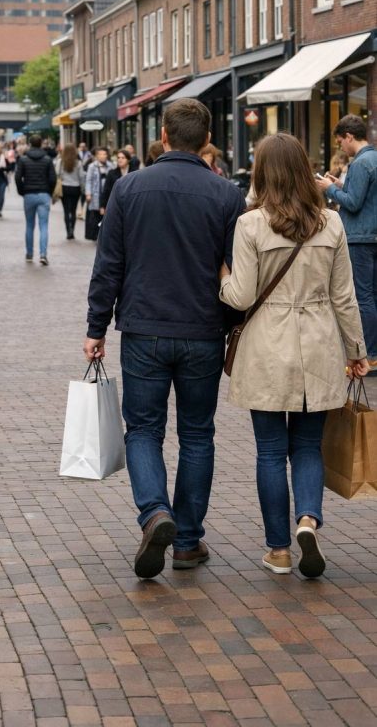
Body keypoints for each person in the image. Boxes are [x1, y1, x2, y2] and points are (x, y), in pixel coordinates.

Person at [83, 99, 245, 579]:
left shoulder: (129, 188)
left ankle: (155, 512)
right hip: (202, 330)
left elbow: (108, 265)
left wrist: (96, 327)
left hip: (144, 328)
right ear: (207, 140)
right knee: (197, 433)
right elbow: (238, 271)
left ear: (164, 137)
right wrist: (229, 321)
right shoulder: (226, 195)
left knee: (143, 429)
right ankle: (188, 541)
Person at [220, 134, 368, 577]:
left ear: (262, 172)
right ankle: (307, 519)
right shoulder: (331, 223)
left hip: (268, 345)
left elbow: (241, 295)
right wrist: (357, 351)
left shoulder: (250, 224)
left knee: (270, 451)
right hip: (319, 342)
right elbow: (345, 297)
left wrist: (222, 277)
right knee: (307, 445)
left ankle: (279, 550)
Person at [317, 115, 377, 366]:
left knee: (363, 297)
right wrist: (341, 185)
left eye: (341, 141)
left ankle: (370, 354)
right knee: (373, 294)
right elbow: (364, 196)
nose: (341, 147)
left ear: (349, 137)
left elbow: (352, 203)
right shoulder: (374, 158)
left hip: (360, 237)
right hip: (372, 235)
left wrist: (328, 189)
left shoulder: (361, 163)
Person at [15, 133, 56, 265]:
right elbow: (53, 178)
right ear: (41, 143)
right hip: (44, 194)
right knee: (43, 226)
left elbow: (18, 177)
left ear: (30, 144)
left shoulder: (23, 159)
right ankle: (43, 254)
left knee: (29, 225)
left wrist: (22, 191)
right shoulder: (47, 159)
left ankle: (29, 253)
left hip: (29, 194)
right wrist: (49, 191)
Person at [55, 143, 85, 240]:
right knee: (73, 210)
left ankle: (68, 231)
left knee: (66, 211)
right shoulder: (78, 163)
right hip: (75, 188)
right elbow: (81, 177)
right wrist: (83, 189)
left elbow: (57, 173)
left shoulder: (60, 162)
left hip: (64, 188)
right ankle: (72, 231)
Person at [84, 147, 113, 242]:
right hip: (96, 194)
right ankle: (96, 235)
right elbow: (88, 180)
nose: (102, 156)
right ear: (97, 156)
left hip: (107, 194)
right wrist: (88, 193)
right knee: (95, 215)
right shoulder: (92, 166)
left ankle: (103, 235)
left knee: (105, 214)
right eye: (100, 154)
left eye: (104, 154)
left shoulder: (111, 166)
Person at [100, 148, 134, 214]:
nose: (120, 160)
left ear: (128, 160)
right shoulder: (111, 173)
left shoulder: (134, 172)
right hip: (116, 206)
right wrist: (102, 206)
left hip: (131, 205)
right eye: (118, 158)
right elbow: (106, 190)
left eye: (123, 158)